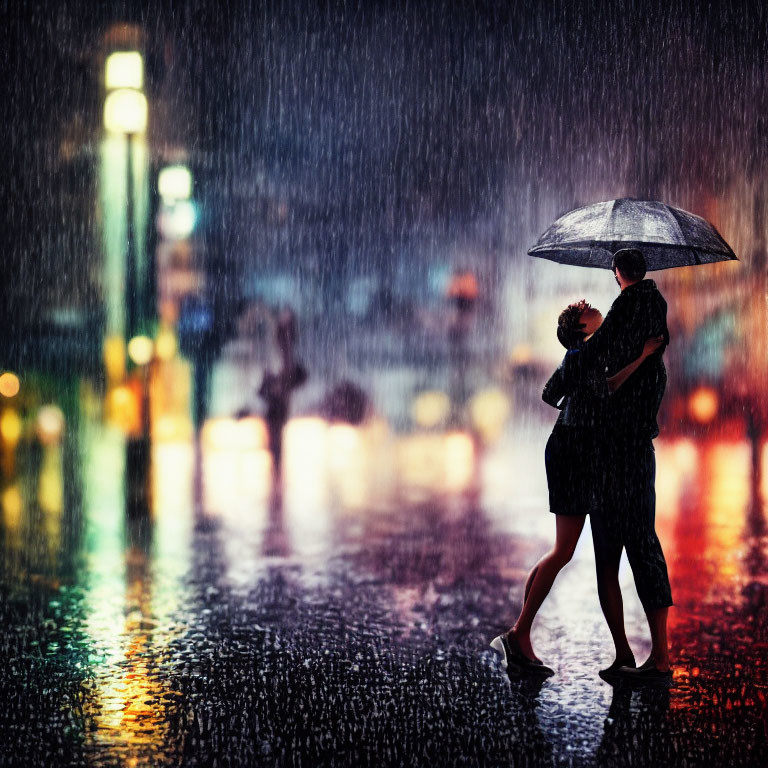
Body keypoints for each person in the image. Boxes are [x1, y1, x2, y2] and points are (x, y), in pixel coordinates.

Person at [491, 298, 663, 675]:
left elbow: (550, 393)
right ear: (582, 329)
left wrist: (578, 399)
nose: (589, 305)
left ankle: (519, 637)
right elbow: (612, 388)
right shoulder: (585, 352)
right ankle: (518, 635)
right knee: (563, 550)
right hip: (573, 452)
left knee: (561, 550)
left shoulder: (577, 354)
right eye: (584, 310)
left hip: (571, 447)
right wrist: (644, 356)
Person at [575, 248, 674, 683]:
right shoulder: (657, 309)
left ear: (617, 273)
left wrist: (581, 332)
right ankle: (661, 655)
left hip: (612, 451)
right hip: (639, 450)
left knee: (607, 555)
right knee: (645, 547)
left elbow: (597, 366)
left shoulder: (623, 310)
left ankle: (623, 654)